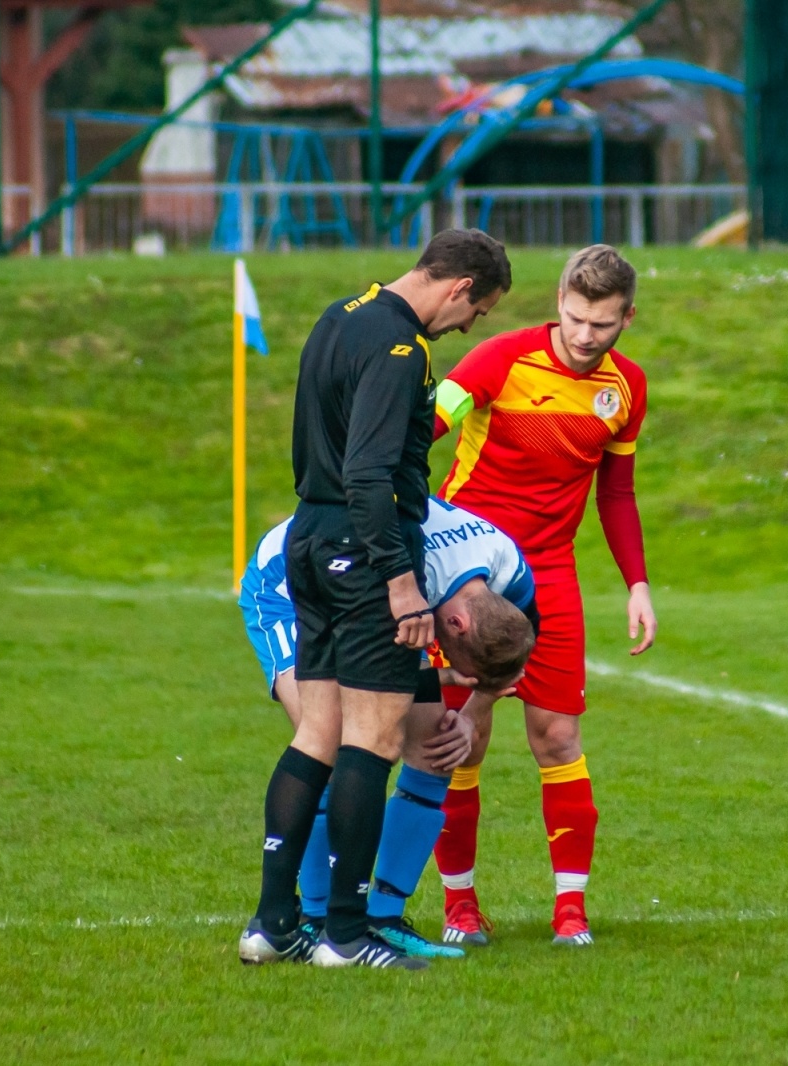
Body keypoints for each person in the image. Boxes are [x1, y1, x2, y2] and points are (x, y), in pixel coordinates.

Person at [240, 229, 512, 970]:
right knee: (377, 736)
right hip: (365, 547)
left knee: (317, 733)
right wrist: (398, 582)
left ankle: (273, 925)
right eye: (476, 312)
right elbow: (370, 473)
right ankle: (348, 935)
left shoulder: (342, 313)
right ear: (458, 288)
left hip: (310, 534)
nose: (468, 328)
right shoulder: (403, 349)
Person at [429, 244, 655, 948]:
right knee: (459, 740)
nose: (587, 336)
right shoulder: (497, 359)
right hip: (465, 574)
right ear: (558, 300)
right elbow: (420, 428)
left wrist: (637, 584)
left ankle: (570, 913)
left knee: (557, 736)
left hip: (549, 573)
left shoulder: (627, 390)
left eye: (604, 324)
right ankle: (460, 908)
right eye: (576, 317)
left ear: (627, 318)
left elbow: (615, 492)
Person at [236, 497, 537, 963]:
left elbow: (514, 650)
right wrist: (437, 677)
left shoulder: (509, 570)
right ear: (455, 623)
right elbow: (374, 670)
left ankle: (383, 919)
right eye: (463, 667)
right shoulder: (409, 577)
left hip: (381, 590)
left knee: (434, 746)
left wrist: (472, 714)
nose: (463, 677)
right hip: (294, 582)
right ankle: (317, 919)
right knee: (331, 743)